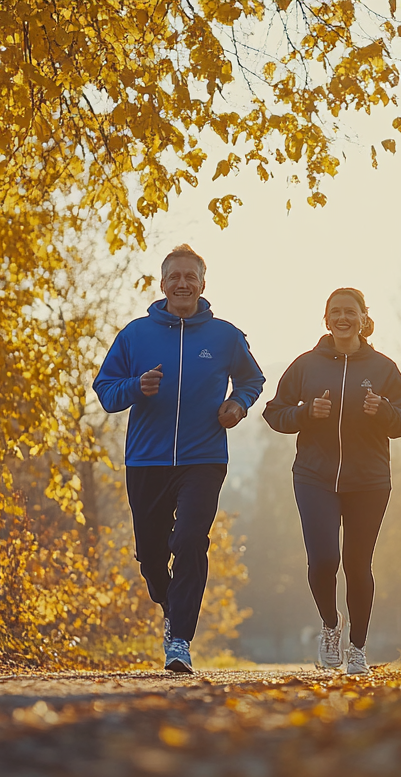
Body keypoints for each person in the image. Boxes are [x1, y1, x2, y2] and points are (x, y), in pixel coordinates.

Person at [93, 245, 265, 673]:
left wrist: (237, 406)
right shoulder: (135, 334)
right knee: (151, 555)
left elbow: (252, 379)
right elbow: (106, 390)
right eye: (176, 277)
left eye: (191, 276)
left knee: (190, 541)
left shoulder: (225, 335)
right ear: (163, 283)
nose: (183, 283)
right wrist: (136, 386)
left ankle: (180, 640)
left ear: (203, 284)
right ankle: (170, 606)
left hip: (203, 458)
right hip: (146, 461)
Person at [263, 287, 401, 674]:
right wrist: (304, 414)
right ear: (326, 318)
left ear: (364, 318)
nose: (342, 318)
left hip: (368, 480)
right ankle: (331, 627)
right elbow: (274, 412)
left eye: (350, 311)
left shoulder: (382, 368)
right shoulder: (306, 365)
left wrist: (383, 410)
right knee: (323, 561)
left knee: (357, 565)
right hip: (315, 477)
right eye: (335, 312)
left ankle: (358, 648)